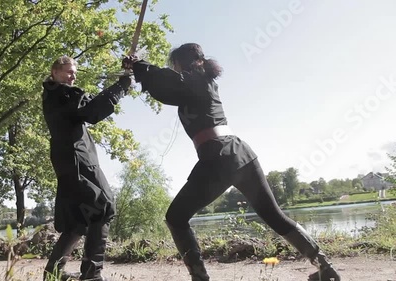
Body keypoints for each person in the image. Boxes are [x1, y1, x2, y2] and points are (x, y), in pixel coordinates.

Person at [122, 43, 341, 281]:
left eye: (174, 63)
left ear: (184, 62)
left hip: (219, 157)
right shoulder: (194, 82)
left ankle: (200, 278)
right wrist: (137, 70)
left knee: (176, 217)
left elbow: (168, 83)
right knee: (273, 215)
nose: (172, 68)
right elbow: (165, 90)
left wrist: (139, 65)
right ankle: (326, 269)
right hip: (239, 154)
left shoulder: (197, 79)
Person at [42, 55, 131, 281]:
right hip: (77, 161)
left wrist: (122, 80)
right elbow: (92, 111)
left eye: (74, 72)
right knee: (104, 206)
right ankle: (92, 275)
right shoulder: (62, 94)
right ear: (54, 72)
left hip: (68, 162)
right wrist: (121, 86)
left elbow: (86, 108)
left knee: (77, 221)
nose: (73, 76)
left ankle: (52, 274)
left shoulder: (55, 95)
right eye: (68, 71)